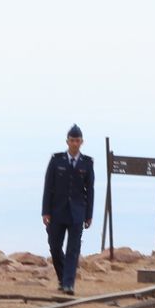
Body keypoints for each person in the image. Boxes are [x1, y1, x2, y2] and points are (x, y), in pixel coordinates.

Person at [41, 124, 95, 295]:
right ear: (67, 141)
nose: (74, 143)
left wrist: (88, 215)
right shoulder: (57, 160)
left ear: (82, 142)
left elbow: (90, 190)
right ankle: (63, 277)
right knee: (55, 247)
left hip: (77, 213)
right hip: (57, 212)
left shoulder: (86, 163)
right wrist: (45, 211)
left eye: (77, 140)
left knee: (73, 249)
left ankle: (68, 284)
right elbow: (48, 186)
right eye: (72, 140)